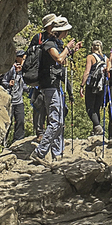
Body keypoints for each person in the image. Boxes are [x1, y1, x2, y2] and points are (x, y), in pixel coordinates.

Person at [33, 17, 79, 166]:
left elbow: (61, 60)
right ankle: (39, 152)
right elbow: (59, 59)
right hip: (49, 86)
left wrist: (70, 51)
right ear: (61, 31)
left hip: (55, 85)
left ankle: (57, 154)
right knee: (55, 121)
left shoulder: (56, 44)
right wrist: (67, 48)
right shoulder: (49, 44)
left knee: (59, 120)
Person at [0, 49, 26, 140]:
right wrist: (9, 84)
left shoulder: (24, 70)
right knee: (8, 122)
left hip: (19, 100)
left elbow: (24, 85)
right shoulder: (11, 68)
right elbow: (3, 81)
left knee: (20, 121)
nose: (24, 58)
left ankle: (18, 140)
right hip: (10, 100)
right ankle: (3, 141)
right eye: (22, 56)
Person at [82, 40, 107, 136]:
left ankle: (97, 126)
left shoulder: (90, 57)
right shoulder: (106, 58)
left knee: (89, 108)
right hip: (102, 86)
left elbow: (87, 71)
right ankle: (96, 130)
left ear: (92, 47)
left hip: (92, 86)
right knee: (97, 108)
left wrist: (82, 85)